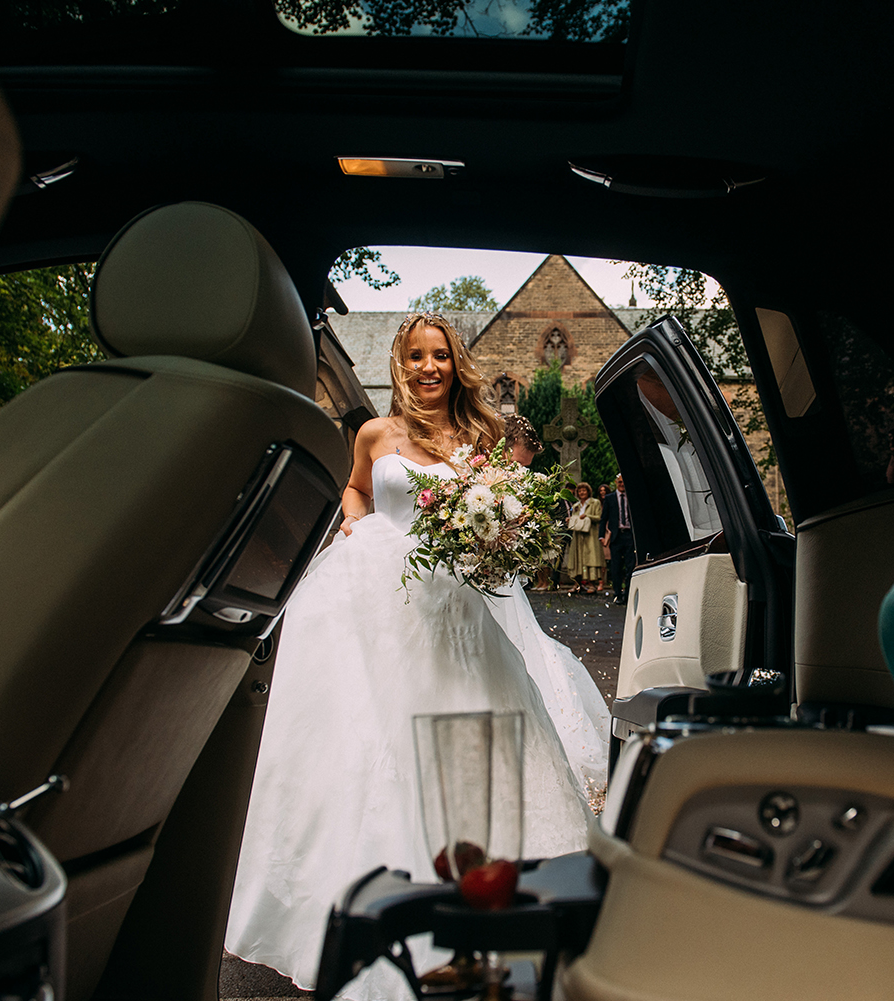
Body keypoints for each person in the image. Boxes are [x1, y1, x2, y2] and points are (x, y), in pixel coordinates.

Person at [226, 313, 604, 1000]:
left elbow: (502, 507)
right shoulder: (375, 433)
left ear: (454, 364)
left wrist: (500, 532)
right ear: (402, 364)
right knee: (366, 736)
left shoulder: (480, 436)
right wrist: (353, 520)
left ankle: (474, 904)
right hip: (375, 593)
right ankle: (358, 899)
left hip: (452, 604)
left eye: (440, 357)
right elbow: (357, 488)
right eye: (417, 357)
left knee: (463, 735)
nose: (429, 368)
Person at [561, 482, 604, 594]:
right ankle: (577, 584)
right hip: (578, 536)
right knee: (577, 559)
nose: (582, 493)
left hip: (590, 535)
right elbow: (575, 518)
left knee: (590, 559)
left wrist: (587, 516)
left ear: (588, 491)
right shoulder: (576, 506)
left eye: (584, 490)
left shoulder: (595, 503)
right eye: (580, 491)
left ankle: (592, 584)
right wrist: (569, 520)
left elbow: (599, 517)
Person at [602, 473, 635, 606]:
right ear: (616, 483)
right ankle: (618, 593)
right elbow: (604, 517)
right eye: (620, 482)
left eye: (623, 482)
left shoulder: (631, 497)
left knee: (630, 566)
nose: (622, 484)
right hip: (616, 535)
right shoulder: (610, 498)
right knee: (616, 567)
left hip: (629, 535)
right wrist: (602, 536)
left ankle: (628, 594)